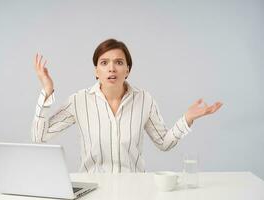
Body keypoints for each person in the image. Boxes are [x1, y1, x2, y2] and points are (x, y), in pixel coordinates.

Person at [32, 38, 222, 173]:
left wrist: (187, 119)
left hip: (135, 189)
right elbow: (39, 137)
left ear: (128, 70)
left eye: (119, 62)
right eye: (104, 63)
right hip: (93, 188)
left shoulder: (144, 100)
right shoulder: (78, 100)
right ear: (96, 71)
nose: (111, 68)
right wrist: (47, 91)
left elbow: (164, 143)